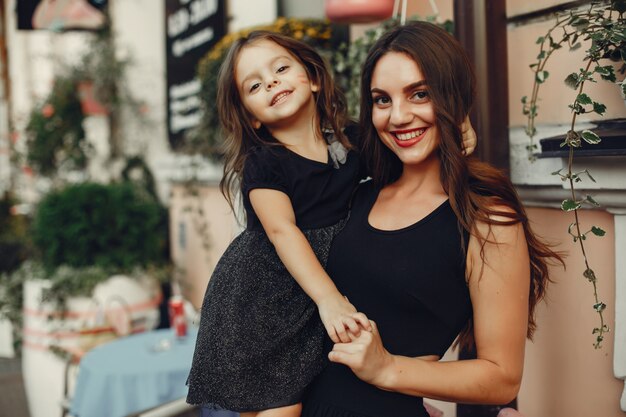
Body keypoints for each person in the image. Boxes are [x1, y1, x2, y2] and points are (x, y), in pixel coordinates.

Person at [186, 30, 476, 417]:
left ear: (315, 78)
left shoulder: (352, 140)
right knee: (280, 408)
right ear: (251, 117)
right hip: (264, 295)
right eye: (254, 85)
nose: (271, 82)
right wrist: (330, 300)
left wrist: (459, 124)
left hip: (310, 294)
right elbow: (281, 231)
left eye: (281, 68)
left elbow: (408, 149)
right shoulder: (264, 163)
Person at [301, 21, 563, 417]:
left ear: (452, 97)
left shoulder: (486, 218)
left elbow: (502, 377)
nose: (398, 116)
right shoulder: (357, 193)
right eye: (382, 100)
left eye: (419, 94)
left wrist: (387, 368)